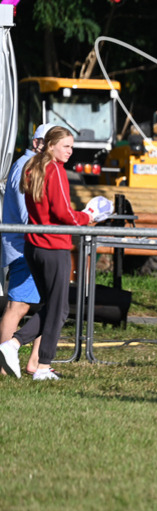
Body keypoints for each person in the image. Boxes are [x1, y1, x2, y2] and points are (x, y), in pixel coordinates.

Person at [0, 126, 93, 380]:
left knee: (55, 306)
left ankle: (31, 358)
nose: (70, 152)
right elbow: (63, 213)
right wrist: (88, 216)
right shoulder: (54, 170)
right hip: (52, 246)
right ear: (50, 146)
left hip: (34, 246)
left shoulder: (32, 168)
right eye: (66, 146)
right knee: (54, 308)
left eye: (72, 147)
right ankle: (26, 354)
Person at [0, 123, 53, 375]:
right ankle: (5, 365)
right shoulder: (27, 167)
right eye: (52, 142)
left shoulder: (32, 166)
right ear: (38, 143)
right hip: (25, 247)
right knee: (18, 307)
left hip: (29, 245)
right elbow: (26, 216)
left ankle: (35, 362)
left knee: (46, 304)